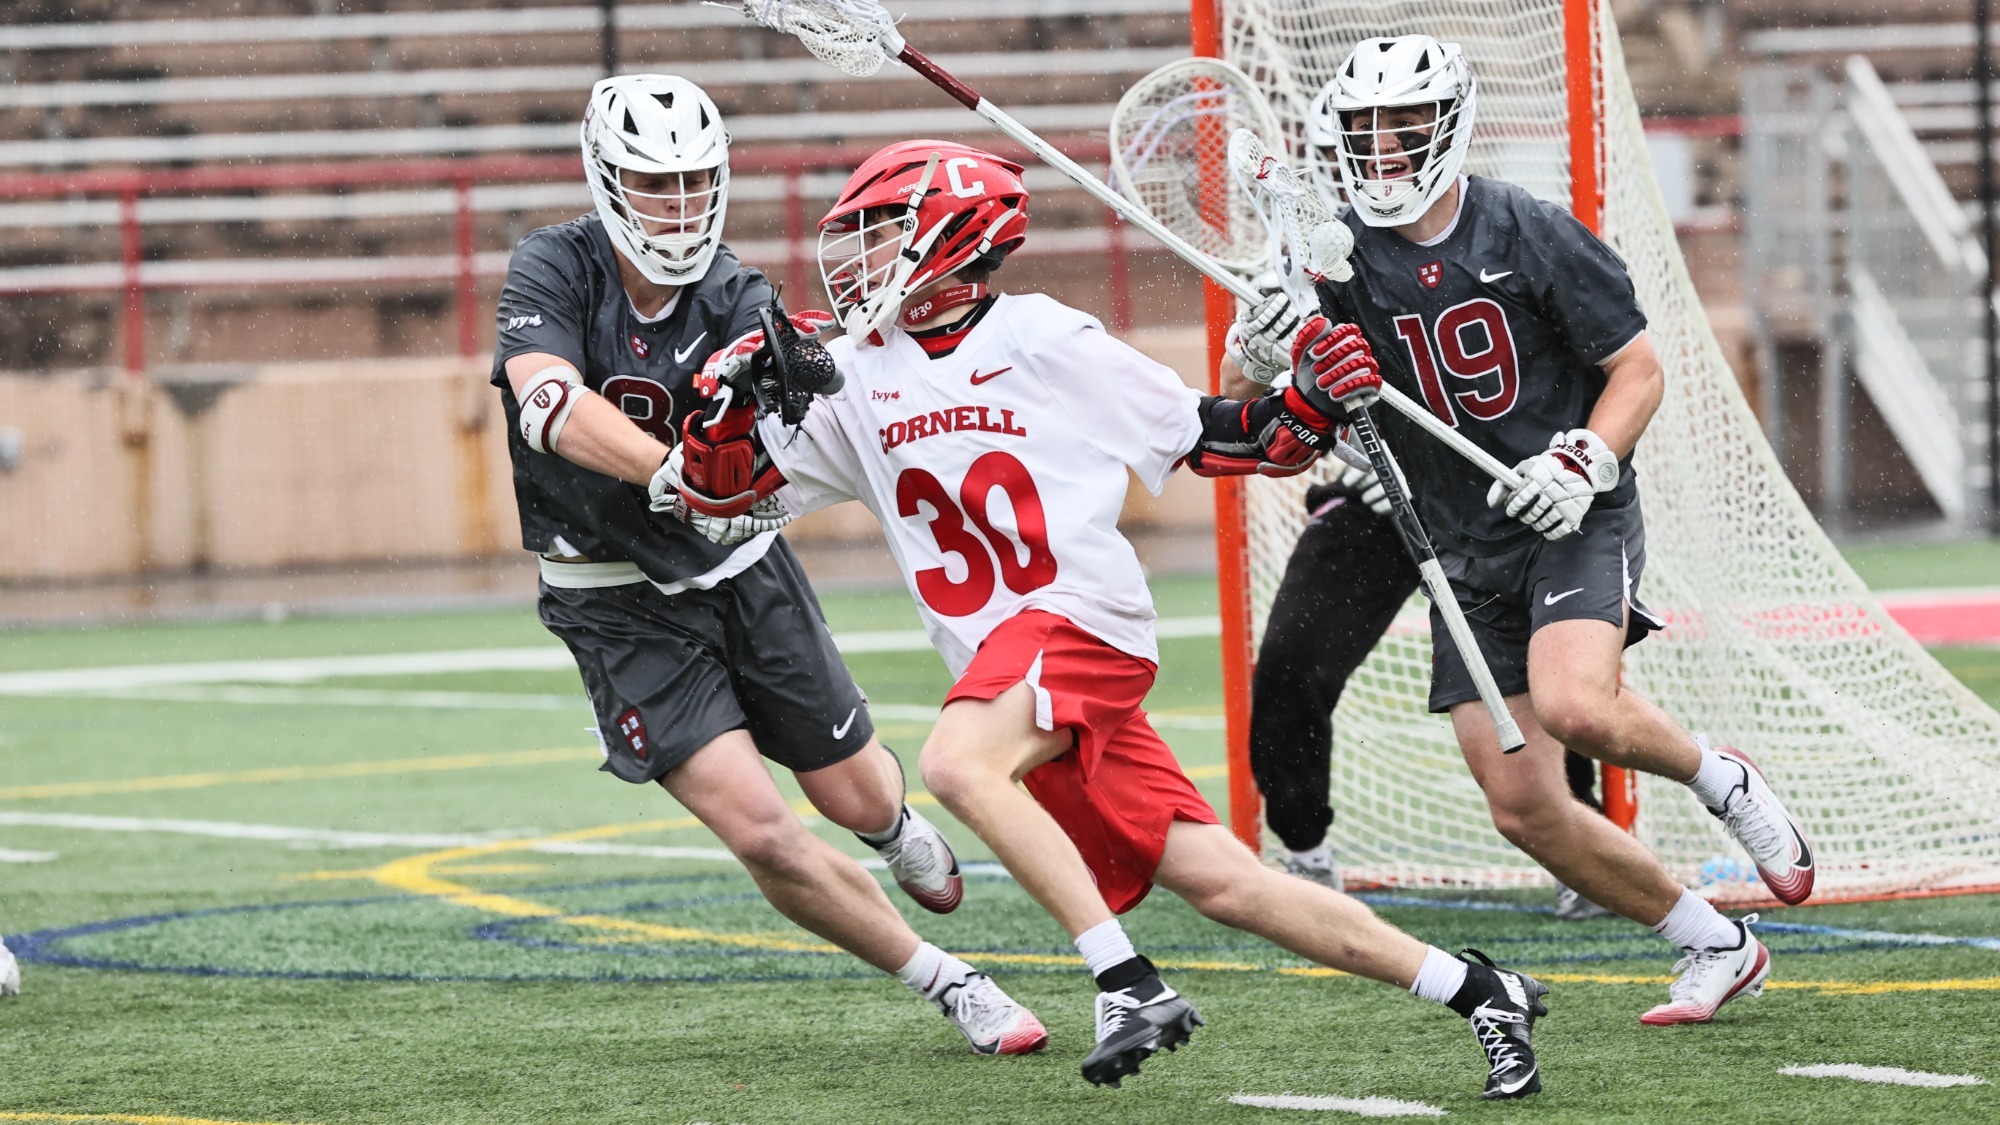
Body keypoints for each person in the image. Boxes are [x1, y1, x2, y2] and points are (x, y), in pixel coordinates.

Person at [662, 138, 1551, 1100]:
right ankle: (1479, 989)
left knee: (958, 761)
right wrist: (720, 413)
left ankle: (1124, 982)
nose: (857, 256)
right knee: (1221, 882)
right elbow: (718, 500)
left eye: (879, 231)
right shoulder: (850, 371)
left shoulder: (1041, 338)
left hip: (1080, 622)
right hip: (1017, 670)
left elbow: (1230, 440)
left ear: (950, 236)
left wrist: (1313, 399)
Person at [1233, 35, 1816, 1025]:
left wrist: (1580, 461)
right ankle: (1714, 944)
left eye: (1401, 129)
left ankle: (1720, 778)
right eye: (1363, 133)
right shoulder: (1323, 258)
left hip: (1565, 514)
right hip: (1457, 546)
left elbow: (1635, 370)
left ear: (1445, 128)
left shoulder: (1526, 229)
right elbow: (1266, 416)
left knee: (1577, 707)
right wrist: (1259, 349)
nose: (1380, 151)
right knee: (1523, 808)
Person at [490, 75, 1045, 1056]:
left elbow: (813, 410)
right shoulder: (555, 266)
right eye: (655, 183)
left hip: (741, 569)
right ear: (606, 178)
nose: (679, 203)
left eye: (696, 180)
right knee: (760, 830)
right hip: (613, 600)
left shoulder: (736, 292)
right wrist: (665, 468)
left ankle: (890, 830)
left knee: (855, 796)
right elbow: (546, 399)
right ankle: (949, 983)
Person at [1224, 170, 1612, 926]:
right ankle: (1303, 850)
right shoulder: (1303, 258)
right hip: (1373, 501)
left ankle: (1584, 847)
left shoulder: (1482, 243)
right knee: (1292, 664)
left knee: (1541, 679)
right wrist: (1258, 340)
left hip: (1478, 496)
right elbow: (1235, 392)